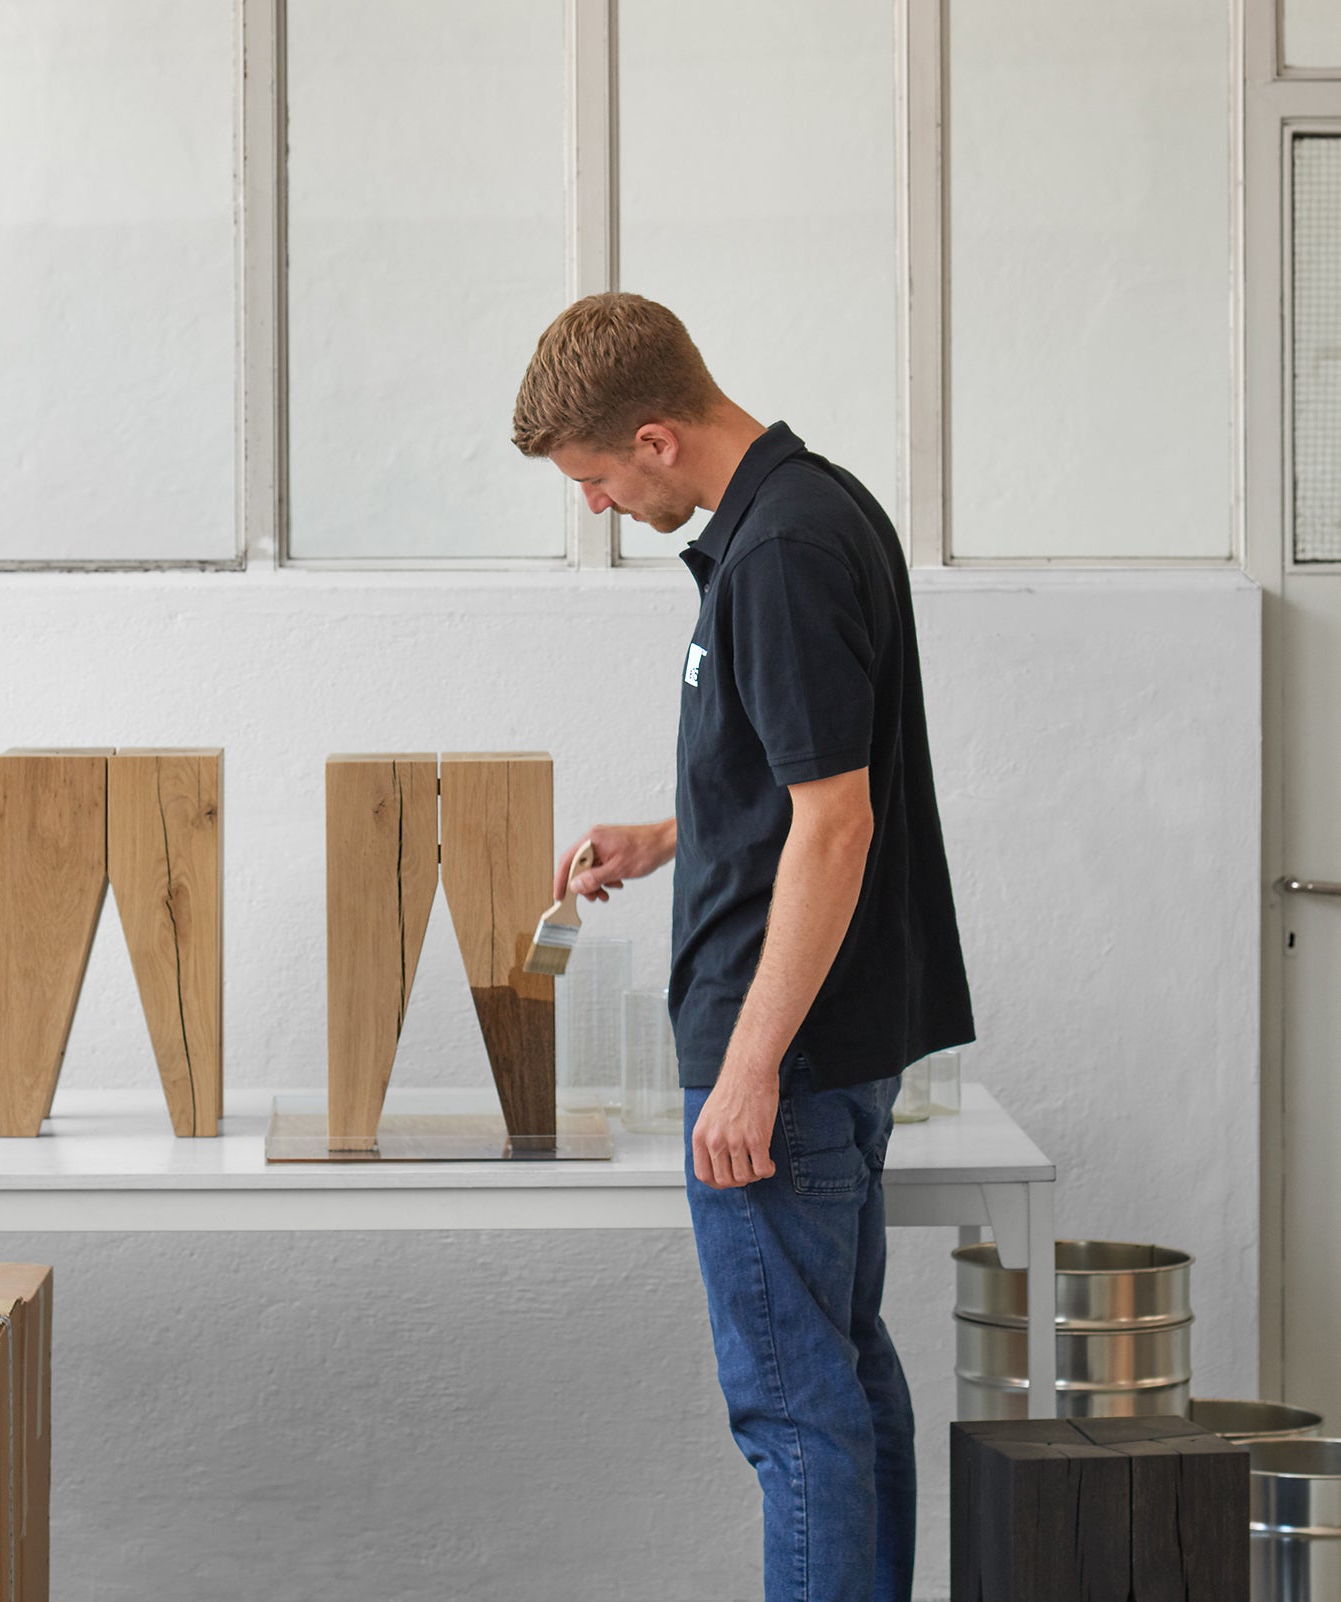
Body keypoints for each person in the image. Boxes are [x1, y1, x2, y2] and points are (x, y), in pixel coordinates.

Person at [511, 293, 975, 1602]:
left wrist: (752, 1062)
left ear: (654, 438)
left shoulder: (775, 553)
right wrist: (670, 833)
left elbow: (837, 823)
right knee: (843, 1373)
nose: (596, 506)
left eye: (596, 478)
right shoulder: (815, 511)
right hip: (834, 1040)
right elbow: (808, 773)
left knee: (791, 1412)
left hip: (785, 1058)